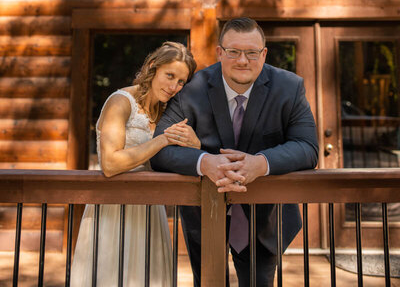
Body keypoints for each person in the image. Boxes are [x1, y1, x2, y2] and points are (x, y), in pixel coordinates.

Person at [151, 18, 319, 287]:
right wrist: (205, 162)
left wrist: (261, 163)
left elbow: (308, 148)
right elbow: (159, 150)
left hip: (265, 217)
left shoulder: (289, 87)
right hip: (204, 214)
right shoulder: (191, 90)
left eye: (252, 52)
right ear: (220, 52)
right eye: (233, 52)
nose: (243, 60)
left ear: (263, 54)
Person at [70, 41, 199, 287]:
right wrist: (162, 140)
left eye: (181, 82)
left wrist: (195, 143)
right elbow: (109, 163)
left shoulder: (168, 112)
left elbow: (178, 159)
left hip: (150, 210)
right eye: (169, 76)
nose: (174, 87)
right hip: (113, 210)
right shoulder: (120, 102)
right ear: (153, 67)